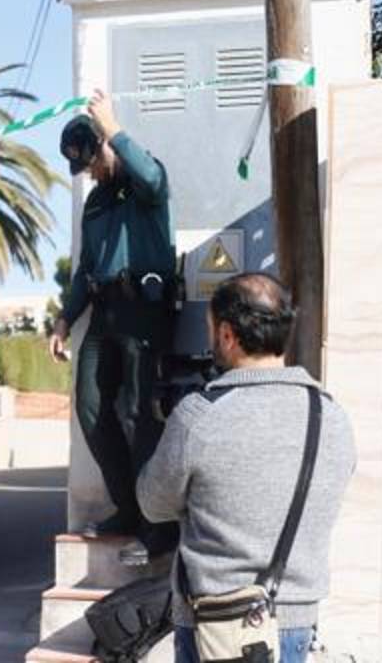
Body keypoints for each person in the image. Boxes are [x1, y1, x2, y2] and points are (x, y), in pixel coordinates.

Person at [137, 273, 356, 663]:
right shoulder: (332, 417)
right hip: (296, 625)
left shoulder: (199, 417)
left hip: (215, 627)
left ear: (226, 334)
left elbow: (153, 504)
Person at [49, 89, 178, 561]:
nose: (91, 174)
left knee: (143, 418)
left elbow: (150, 177)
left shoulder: (147, 182)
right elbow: (86, 267)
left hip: (145, 312)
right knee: (90, 408)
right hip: (104, 315)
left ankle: (155, 526)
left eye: (93, 162)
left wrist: (113, 126)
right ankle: (126, 507)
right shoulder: (97, 202)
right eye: (82, 170)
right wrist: (65, 319)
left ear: (105, 144)